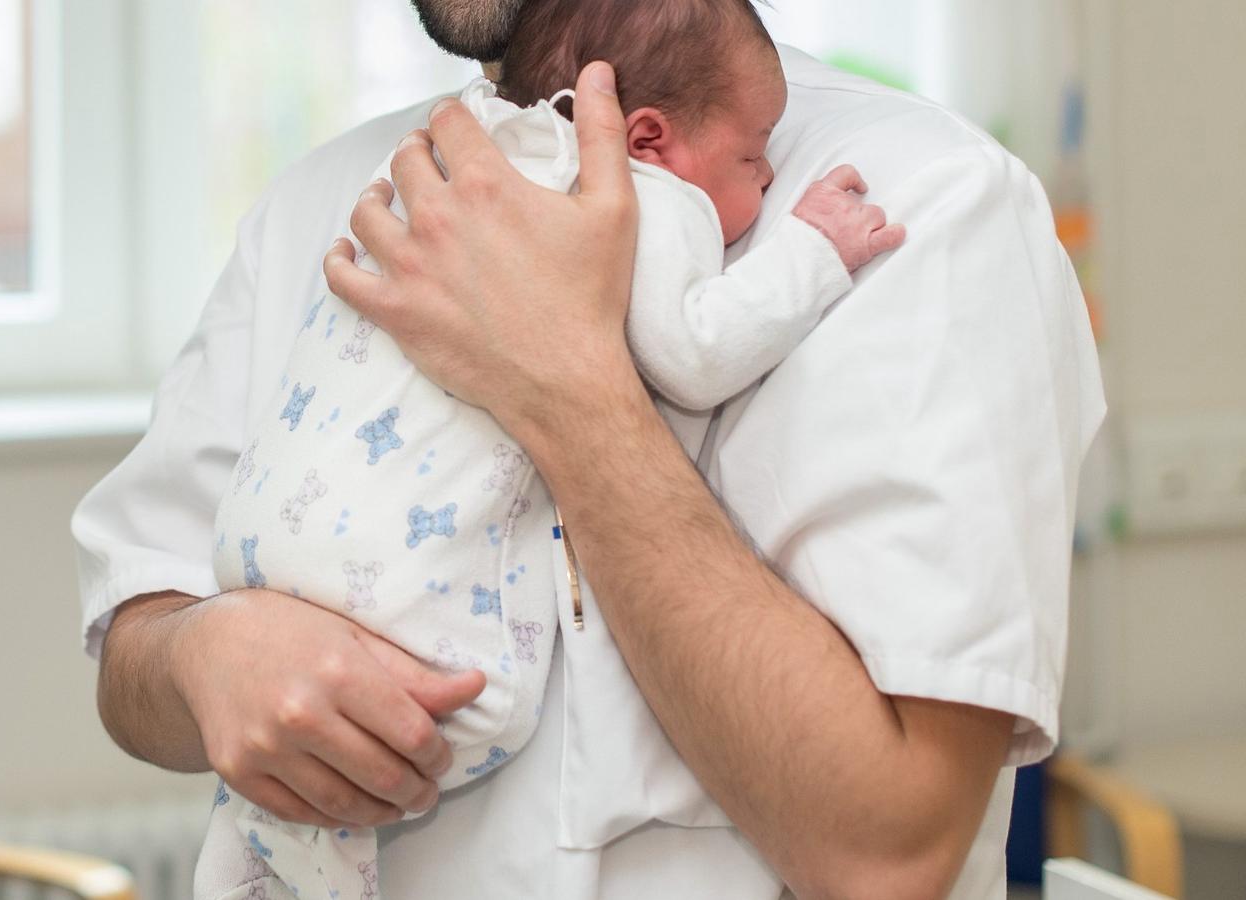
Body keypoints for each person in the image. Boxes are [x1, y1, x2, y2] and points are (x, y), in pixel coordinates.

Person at [73, 1, 1106, 896]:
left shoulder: (918, 207)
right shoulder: (327, 198)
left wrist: (565, 386)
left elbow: (889, 859)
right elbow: (136, 639)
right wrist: (203, 656)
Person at [195, 2, 902, 894]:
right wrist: (814, 251)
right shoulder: (647, 197)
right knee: (436, 737)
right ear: (644, 135)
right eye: (753, 157)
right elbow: (694, 354)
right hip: (414, 639)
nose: (765, 180)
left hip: (275, 557)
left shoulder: (443, 157)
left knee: (279, 822)